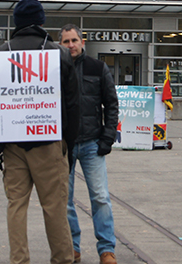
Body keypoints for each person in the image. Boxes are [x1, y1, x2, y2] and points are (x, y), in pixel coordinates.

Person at [0, 0, 79, 264]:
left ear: (17, 23)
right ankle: (62, 259)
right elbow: (72, 104)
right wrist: (67, 145)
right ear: (41, 21)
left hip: (12, 143)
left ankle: (19, 260)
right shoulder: (58, 53)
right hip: (49, 141)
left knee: (16, 205)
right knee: (55, 207)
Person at [59, 24, 119, 264]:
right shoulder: (54, 69)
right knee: (65, 199)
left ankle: (106, 249)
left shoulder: (98, 67)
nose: (71, 45)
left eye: (74, 40)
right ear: (60, 44)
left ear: (82, 42)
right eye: (66, 41)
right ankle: (72, 247)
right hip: (63, 145)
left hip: (93, 142)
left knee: (100, 197)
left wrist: (107, 137)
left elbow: (111, 104)